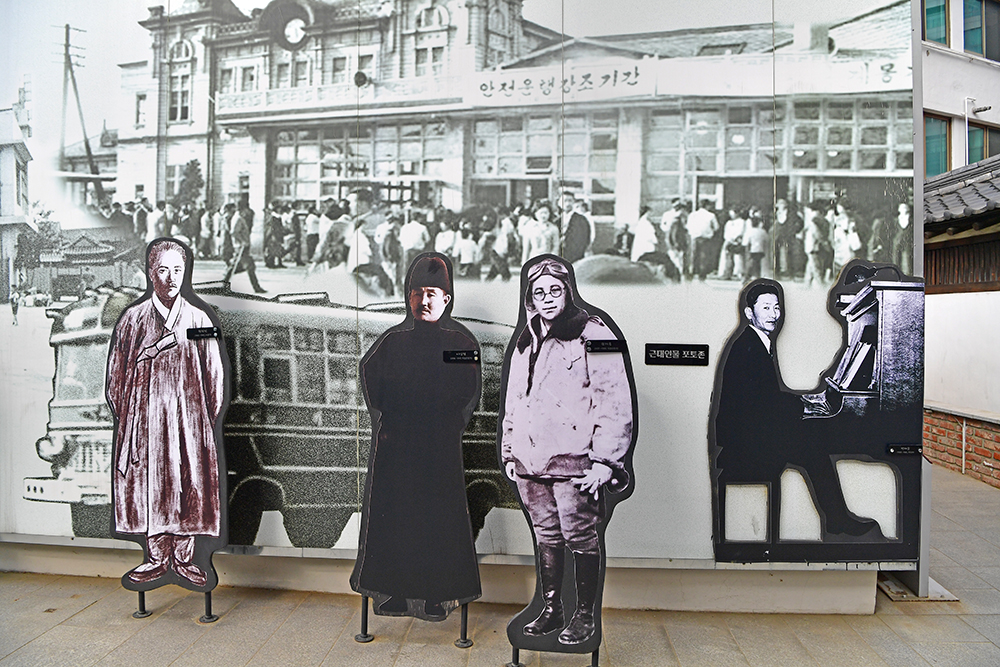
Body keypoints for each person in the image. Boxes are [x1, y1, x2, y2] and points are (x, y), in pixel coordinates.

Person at [501, 256, 634, 647]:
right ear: (530, 298)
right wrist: (509, 450)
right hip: (530, 463)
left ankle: (584, 616)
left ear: (568, 291)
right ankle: (552, 609)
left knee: (581, 535)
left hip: (576, 463)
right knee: (546, 535)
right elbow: (514, 400)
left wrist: (606, 461)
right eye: (539, 292)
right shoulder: (525, 339)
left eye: (554, 290)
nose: (547, 298)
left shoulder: (596, 332)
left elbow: (616, 399)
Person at [352, 254, 481, 620]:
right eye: (417, 293)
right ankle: (393, 592)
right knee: (395, 517)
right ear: (408, 298)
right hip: (397, 445)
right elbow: (370, 379)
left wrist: (445, 424)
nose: (424, 300)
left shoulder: (460, 343)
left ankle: (435, 596)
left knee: (436, 519)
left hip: (439, 448)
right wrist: (394, 418)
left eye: (432, 293)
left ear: (446, 299)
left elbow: (467, 392)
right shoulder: (392, 343)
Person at [712, 281, 881, 546]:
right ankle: (837, 520)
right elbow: (761, 405)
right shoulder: (748, 346)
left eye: (776, 307)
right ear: (749, 313)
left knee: (812, 441)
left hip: (749, 434)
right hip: (744, 445)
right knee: (813, 442)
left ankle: (836, 519)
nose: (773, 314)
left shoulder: (754, 341)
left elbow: (764, 398)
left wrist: (803, 401)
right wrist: (803, 405)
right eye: (765, 308)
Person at [106, 239, 226, 589]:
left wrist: (199, 420)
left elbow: (214, 376)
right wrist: (134, 417)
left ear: (185, 272)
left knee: (188, 482)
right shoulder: (132, 319)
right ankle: (157, 557)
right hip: (144, 423)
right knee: (151, 484)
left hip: (190, 421)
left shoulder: (200, 319)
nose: (171, 278)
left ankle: (185, 558)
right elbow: (116, 379)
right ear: (150, 273)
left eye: (177, 270)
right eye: (163, 270)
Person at [223, 201, 266, 293]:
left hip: (242, 246)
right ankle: (256, 287)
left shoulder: (239, 217)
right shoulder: (238, 218)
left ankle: (225, 281)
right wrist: (242, 241)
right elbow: (234, 232)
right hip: (241, 247)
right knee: (250, 267)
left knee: (237, 266)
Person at [687, 200, 719, 281]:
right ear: (707, 206)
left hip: (694, 238)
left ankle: (691, 273)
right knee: (704, 257)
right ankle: (702, 275)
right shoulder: (711, 215)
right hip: (706, 239)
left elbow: (688, 227)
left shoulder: (692, 215)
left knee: (693, 256)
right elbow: (716, 227)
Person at [561, 193, 591, 263]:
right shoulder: (556, 220)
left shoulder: (581, 220)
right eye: (565, 201)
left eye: (570, 201)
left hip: (574, 257)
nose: (567, 203)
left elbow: (584, 239)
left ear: (574, 202)